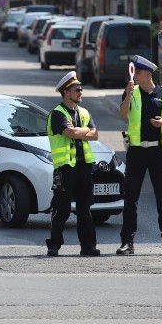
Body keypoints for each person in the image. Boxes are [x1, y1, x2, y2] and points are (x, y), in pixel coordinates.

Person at [117, 55, 162, 257]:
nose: (134, 74)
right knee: (130, 198)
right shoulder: (132, 92)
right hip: (136, 151)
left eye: (138, 71)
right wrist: (127, 94)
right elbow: (122, 114)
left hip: (158, 152)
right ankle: (127, 242)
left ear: (147, 74)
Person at [45, 71, 101, 257]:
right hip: (65, 168)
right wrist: (85, 130)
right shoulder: (57, 114)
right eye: (77, 90)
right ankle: (54, 245)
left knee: (85, 210)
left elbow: (95, 135)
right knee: (62, 209)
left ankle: (88, 246)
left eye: (81, 89)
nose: (80, 92)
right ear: (66, 92)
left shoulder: (84, 113)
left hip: (84, 167)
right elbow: (71, 134)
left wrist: (81, 131)